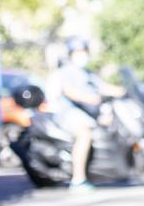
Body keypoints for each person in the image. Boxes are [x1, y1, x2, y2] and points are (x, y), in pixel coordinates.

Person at [54, 37, 125, 192]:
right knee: (84, 134)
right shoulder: (66, 71)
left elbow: (103, 87)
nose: (82, 55)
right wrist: (89, 98)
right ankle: (78, 180)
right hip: (70, 114)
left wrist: (124, 90)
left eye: (84, 52)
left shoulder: (87, 73)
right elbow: (68, 91)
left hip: (89, 113)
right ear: (71, 54)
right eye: (78, 52)